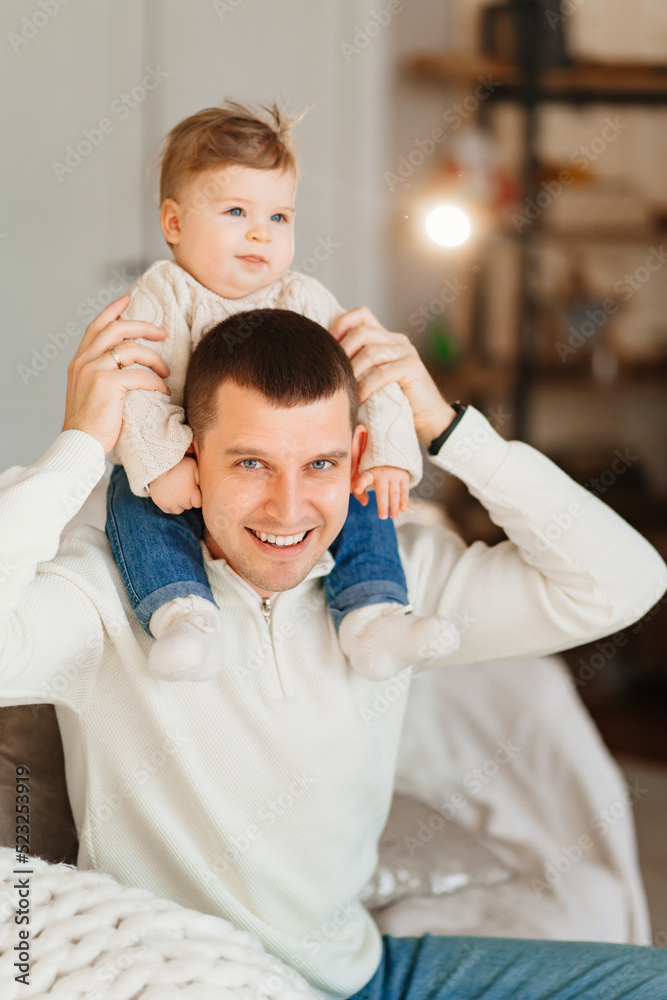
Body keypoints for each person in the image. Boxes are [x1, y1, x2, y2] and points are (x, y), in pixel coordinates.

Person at [1, 298, 666, 1000]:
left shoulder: (398, 583)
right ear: (190, 458)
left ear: (354, 457)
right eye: (251, 462)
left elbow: (625, 582)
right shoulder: (104, 589)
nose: (288, 510)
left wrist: (450, 430)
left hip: (370, 977)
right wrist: (79, 447)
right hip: (195, 979)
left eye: (318, 464)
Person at [106, 101, 458, 683]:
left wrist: (393, 454)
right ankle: (180, 612)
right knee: (134, 499)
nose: (259, 233)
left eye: (279, 218)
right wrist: (164, 462)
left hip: (272, 464)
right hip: (186, 466)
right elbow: (137, 390)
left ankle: (373, 615)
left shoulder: (305, 298)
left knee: (357, 480)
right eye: (237, 210)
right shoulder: (163, 295)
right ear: (173, 223)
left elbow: (372, 373)